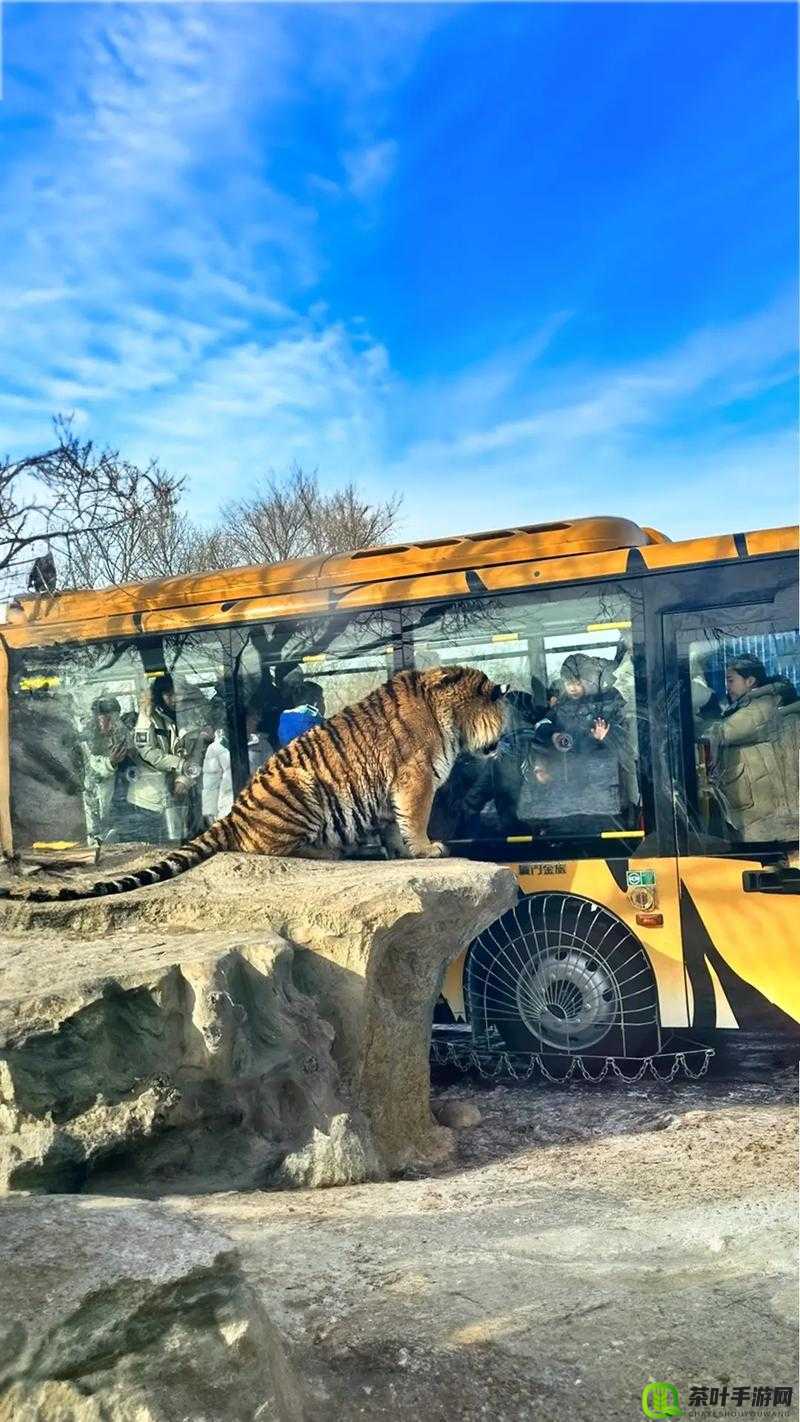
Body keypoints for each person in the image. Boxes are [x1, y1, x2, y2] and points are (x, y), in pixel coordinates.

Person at [532, 652, 629, 834]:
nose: (573, 688)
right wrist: (552, 736)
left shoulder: (608, 701)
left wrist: (606, 737)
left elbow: (629, 740)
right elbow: (540, 726)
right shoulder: (562, 705)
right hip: (566, 786)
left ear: (588, 680)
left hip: (603, 788)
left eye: (577, 682)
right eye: (568, 683)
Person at [708, 654, 799, 842]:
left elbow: (724, 732)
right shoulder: (750, 705)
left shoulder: (761, 705)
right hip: (759, 812)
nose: (727, 687)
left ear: (750, 681)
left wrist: (693, 722)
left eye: (731, 680)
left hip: (764, 816)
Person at [125, 674, 191, 843]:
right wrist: (181, 765)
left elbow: (186, 752)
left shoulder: (177, 718)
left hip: (171, 797)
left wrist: (183, 779)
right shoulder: (147, 718)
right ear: (158, 697)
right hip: (146, 801)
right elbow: (146, 752)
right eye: (168, 694)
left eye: (176, 693)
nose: (174, 699)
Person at [80, 695, 128, 842]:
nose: (112, 724)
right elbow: (92, 774)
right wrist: (111, 763)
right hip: (93, 800)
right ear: (96, 719)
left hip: (117, 801)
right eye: (106, 719)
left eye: (115, 718)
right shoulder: (86, 739)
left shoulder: (120, 733)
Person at [277, 681, 325, 747]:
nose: (323, 704)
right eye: (322, 699)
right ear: (316, 702)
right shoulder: (318, 724)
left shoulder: (284, 720)